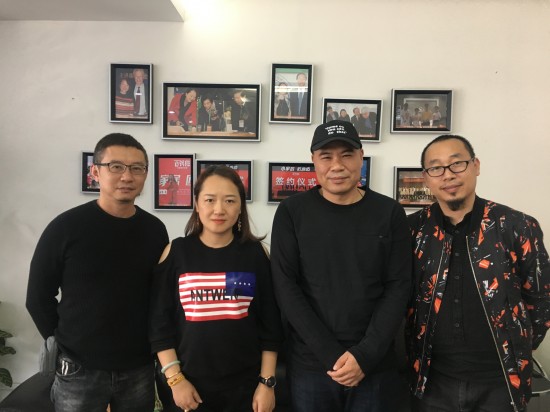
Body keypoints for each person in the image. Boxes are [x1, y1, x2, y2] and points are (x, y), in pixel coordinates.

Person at [271, 120, 412, 412]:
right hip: (312, 364)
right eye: (326, 156)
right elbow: (285, 287)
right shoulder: (291, 212)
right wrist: (332, 356)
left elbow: (398, 286)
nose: (337, 165)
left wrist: (364, 356)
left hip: (374, 364)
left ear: (361, 157)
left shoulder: (389, 212)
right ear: (314, 161)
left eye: (347, 155)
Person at [406, 135, 550, 412]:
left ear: (476, 166)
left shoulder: (517, 226)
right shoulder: (412, 231)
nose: (448, 175)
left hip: (501, 382)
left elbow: (541, 298)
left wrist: (518, 348)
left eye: (457, 163)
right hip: (432, 381)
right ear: (426, 178)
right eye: (436, 168)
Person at [26, 133, 169, 412]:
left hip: (138, 367)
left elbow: (159, 296)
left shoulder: (155, 230)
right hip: (78, 369)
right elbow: (37, 297)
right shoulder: (66, 227)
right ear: (95, 172)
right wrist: (66, 344)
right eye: (116, 166)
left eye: (137, 168)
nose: (127, 176)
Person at [150, 165, 284, 412]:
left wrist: (267, 383)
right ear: (197, 204)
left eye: (230, 201)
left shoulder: (256, 254)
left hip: (246, 388)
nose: (219, 209)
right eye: (210, 200)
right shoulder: (176, 252)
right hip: (188, 387)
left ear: (240, 206)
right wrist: (176, 380)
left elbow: (271, 324)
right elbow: (159, 324)